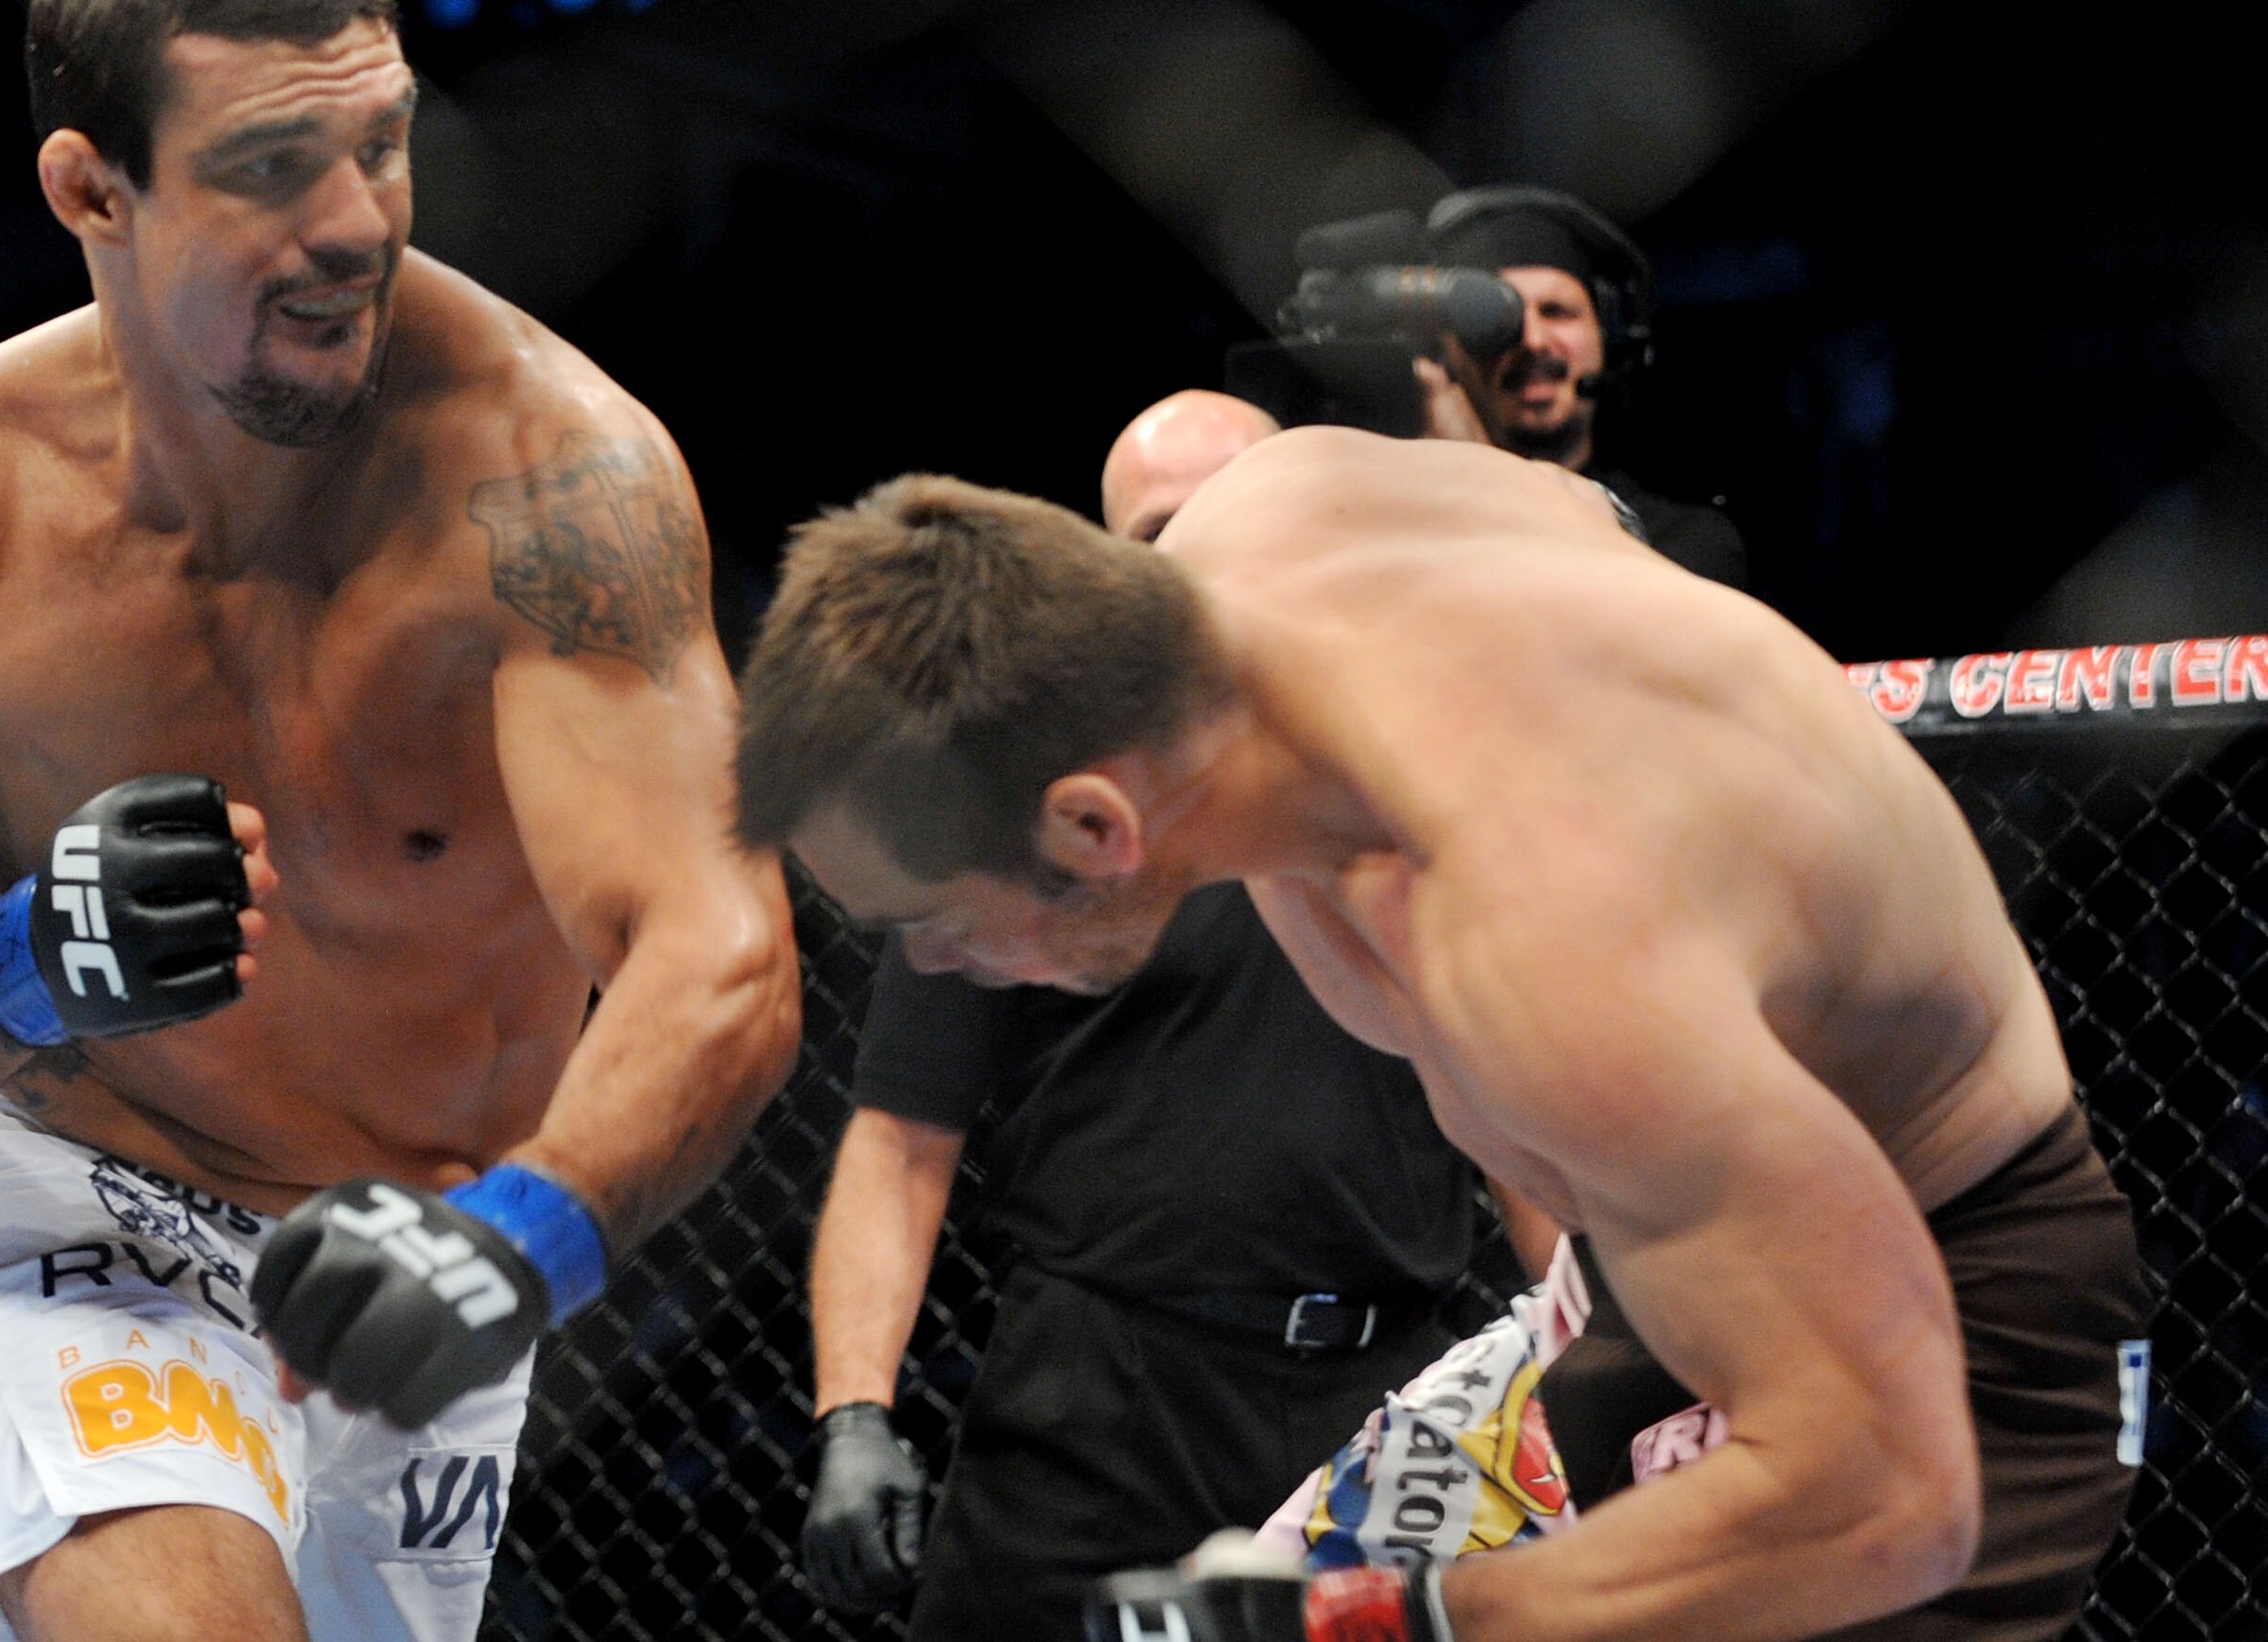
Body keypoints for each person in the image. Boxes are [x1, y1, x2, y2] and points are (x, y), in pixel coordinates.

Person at [0, 0, 802, 1642]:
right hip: (87, 1202)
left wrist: (525, 1236)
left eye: (382, 144)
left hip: (428, 1252)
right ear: (94, 189)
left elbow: (721, 950)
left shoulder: (551, 480)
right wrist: (19, 970)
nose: (358, 221)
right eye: (270, 167)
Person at [730, 428, 2148, 1642]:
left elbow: (1897, 1493)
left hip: (1925, 1338)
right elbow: (1572, 513)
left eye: (928, 920)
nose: (933, 965)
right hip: (1644, 1271)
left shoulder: (1541, 929)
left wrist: (1398, 1614)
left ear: (1093, 825)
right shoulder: (1270, 509)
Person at [803, 391, 1525, 1638]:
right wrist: (854, 1412)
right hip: (1099, 1391)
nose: (1201, 561)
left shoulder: (1408, 781)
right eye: (1160, 534)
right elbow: (901, 1135)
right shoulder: (1015, 809)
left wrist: (1593, 1360)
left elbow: (1518, 1105)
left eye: (1231, 515)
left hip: (1385, 1383)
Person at [1404, 186, 1749, 591]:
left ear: (1610, 338)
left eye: (1556, 312)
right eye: (1496, 321)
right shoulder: (1398, 535)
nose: (1532, 341)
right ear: (1443, 352)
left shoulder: (1686, 542)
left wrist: (1477, 479)